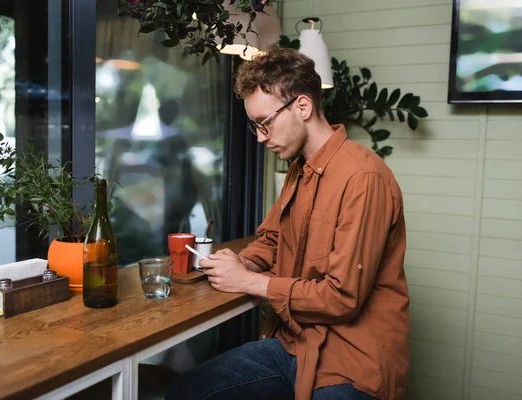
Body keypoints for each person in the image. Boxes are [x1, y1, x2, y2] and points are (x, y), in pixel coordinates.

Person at [165, 45, 410, 400]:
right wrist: (240, 263)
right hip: (294, 344)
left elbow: (341, 299)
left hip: (353, 360)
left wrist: (249, 281)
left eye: (265, 123)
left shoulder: (363, 177)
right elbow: (272, 239)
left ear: (303, 106)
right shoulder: (299, 170)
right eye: (255, 126)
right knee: (186, 391)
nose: (261, 137)